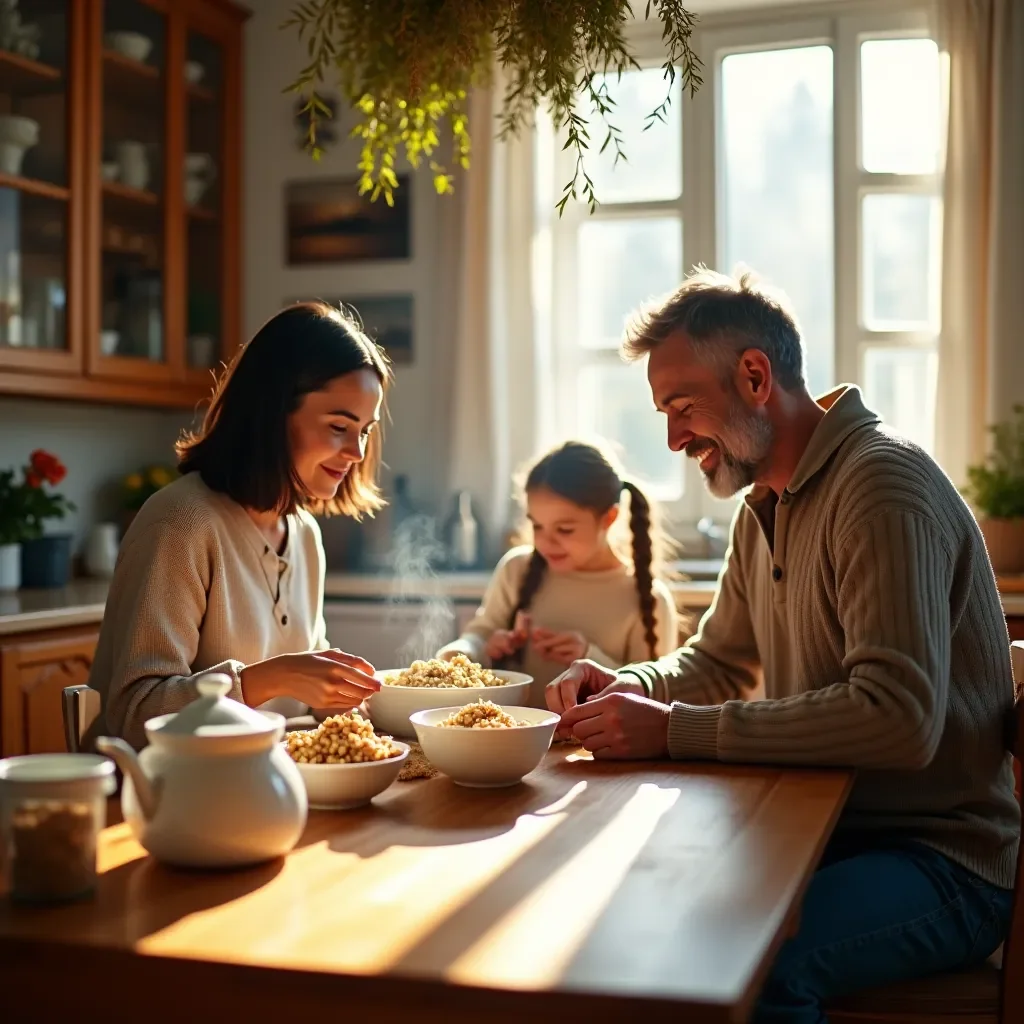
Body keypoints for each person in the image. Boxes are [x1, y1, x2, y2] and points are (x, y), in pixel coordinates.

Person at [547, 269, 1019, 1021]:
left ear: (755, 377)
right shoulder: (764, 503)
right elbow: (716, 661)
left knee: (749, 959)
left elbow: (898, 718)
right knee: (646, 911)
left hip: (943, 863)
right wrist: (626, 684)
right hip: (833, 829)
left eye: (682, 407)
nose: (673, 439)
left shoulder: (880, 487)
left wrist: (673, 730)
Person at [86, 302, 389, 751]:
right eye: (339, 426)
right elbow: (135, 712)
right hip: (163, 786)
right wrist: (267, 679)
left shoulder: (304, 534)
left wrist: (347, 701)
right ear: (272, 413)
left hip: (265, 778)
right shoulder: (181, 524)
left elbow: (307, 700)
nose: (358, 453)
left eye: (364, 430)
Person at [437, 441, 678, 707]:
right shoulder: (516, 569)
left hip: (590, 736)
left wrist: (590, 657)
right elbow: (480, 633)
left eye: (564, 530)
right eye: (537, 526)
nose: (545, 542)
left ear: (609, 518)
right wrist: (468, 651)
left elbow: (650, 700)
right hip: (513, 730)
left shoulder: (648, 600)